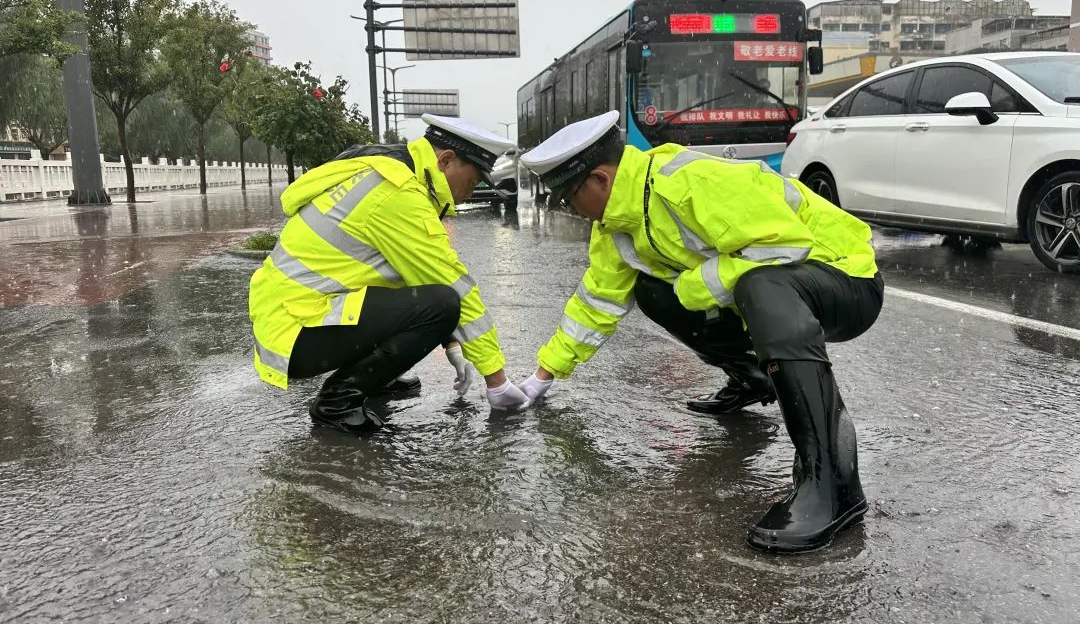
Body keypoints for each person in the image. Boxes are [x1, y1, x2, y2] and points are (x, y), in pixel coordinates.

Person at [516, 111, 884, 553]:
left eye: (567, 199)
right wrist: (543, 374)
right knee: (653, 290)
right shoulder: (618, 223)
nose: (569, 210)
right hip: (777, 287)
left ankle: (833, 486)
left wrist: (694, 286)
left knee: (756, 283)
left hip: (844, 279)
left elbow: (783, 248)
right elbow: (598, 302)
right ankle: (754, 378)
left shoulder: (691, 182)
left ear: (599, 180)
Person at [249, 114, 531, 435]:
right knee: (444, 302)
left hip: (293, 319)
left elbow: (414, 275)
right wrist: (496, 380)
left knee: (427, 298)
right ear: (446, 160)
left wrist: (453, 345)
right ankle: (337, 401)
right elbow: (451, 285)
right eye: (474, 179)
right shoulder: (398, 194)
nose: (472, 191)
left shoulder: (388, 173)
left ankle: (375, 380)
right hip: (297, 334)